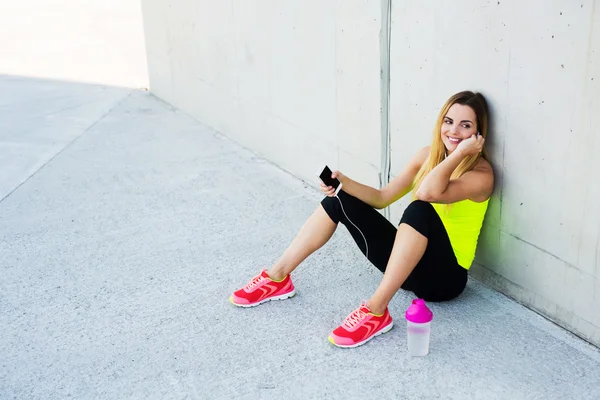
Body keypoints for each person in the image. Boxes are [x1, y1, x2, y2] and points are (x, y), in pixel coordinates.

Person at [229, 91, 494, 348]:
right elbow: (381, 197)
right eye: (448, 122)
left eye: (465, 125)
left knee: (420, 210)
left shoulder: (481, 175)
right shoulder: (427, 156)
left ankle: (376, 311)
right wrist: (344, 183)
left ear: (478, 134)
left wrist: (460, 155)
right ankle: (277, 278)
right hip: (407, 270)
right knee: (338, 201)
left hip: (444, 280)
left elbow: (427, 192)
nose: (453, 131)